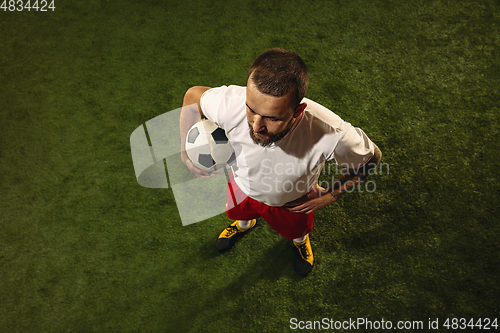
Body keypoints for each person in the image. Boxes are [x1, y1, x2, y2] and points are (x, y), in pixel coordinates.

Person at [180, 48, 382, 277]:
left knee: (296, 231)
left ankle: (300, 242)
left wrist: (332, 194)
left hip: (293, 200)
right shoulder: (230, 104)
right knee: (241, 216)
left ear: (298, 111)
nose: (256, 125)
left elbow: (371, 158)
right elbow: (193, 96)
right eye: (251, 109)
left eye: (272, 117)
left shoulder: (330, 133)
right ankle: (244, 226)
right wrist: (183, 151)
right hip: (241, 185)